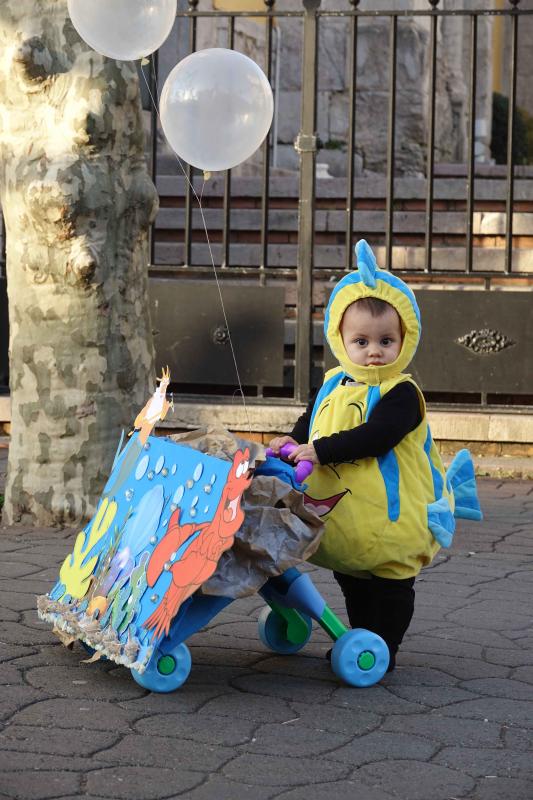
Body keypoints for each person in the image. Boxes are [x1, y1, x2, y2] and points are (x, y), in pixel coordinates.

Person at [269, 239, 482, 671]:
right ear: (340, 339)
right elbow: (311, 422)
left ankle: (384, 645)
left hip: (392, 514)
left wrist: (322, 451)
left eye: (386, 340)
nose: (374, 351)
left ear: (404, 339)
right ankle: (359, 636)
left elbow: (376, 436)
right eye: (361, 340)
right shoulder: (333, 383)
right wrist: (289, 444)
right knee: (352, 578)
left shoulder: (401, 394)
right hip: (346, 515)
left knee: (390, 582)